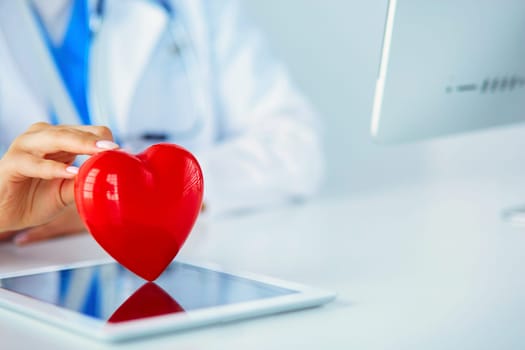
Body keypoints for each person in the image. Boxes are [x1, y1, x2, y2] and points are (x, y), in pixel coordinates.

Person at [0, 0, 323, 244]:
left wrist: (142, 195)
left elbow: (297, 146)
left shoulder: (194, 8)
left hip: (181, 253)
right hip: (28, 273)